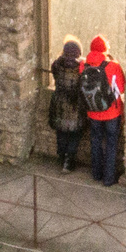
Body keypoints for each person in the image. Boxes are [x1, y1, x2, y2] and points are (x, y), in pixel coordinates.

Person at [80, 35, 125, 186]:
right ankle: (108, 178)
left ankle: (96, 173)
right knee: (111, 144)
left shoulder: (83, 66)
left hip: (92, 111)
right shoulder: (113, 66)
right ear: (105, 49)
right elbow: (121, 88)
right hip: (112, 112)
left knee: (96, 141)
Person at [47, 37, 87, 172]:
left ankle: (62, 156)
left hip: (60, 104)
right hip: (75, 105)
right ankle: (69, 162)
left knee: (61, 132)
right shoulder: (81, 68)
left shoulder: (57, 64)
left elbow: (56, 76)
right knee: (74, 134)